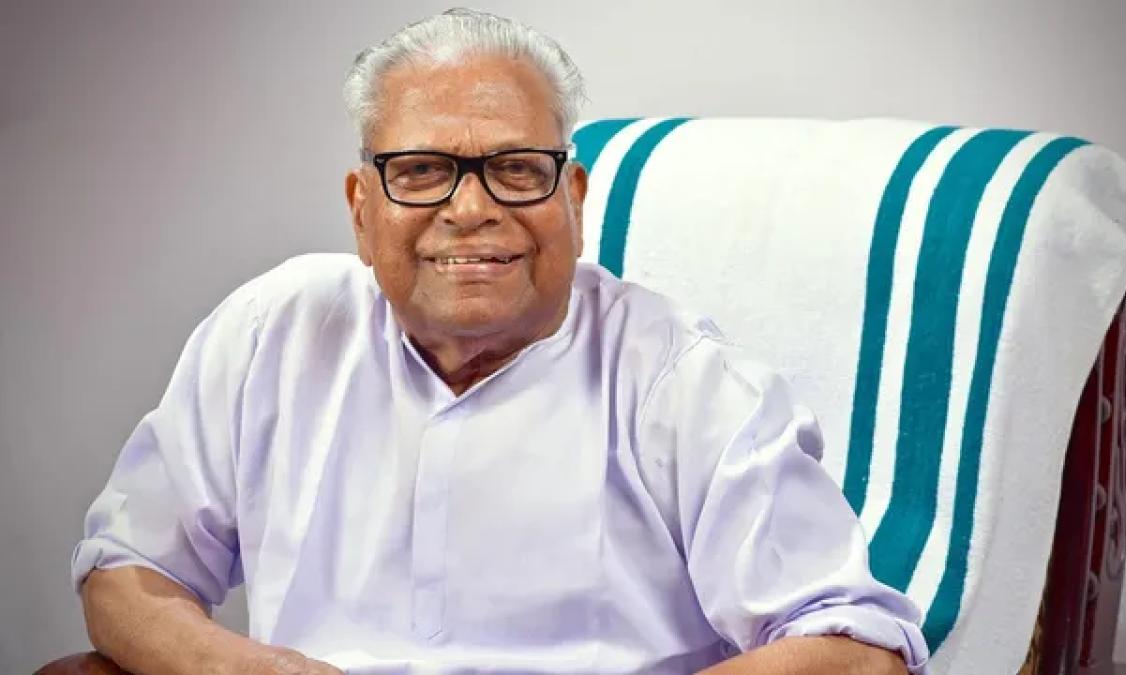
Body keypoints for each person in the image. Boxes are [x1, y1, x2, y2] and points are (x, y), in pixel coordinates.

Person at [72, 9, 929, 674]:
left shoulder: (680, 380)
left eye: (517, 168)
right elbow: (127, 567)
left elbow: (859, 646)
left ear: (574, 201)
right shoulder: (275, 331)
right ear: (361, 210)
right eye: (421, 170)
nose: (472, 208)